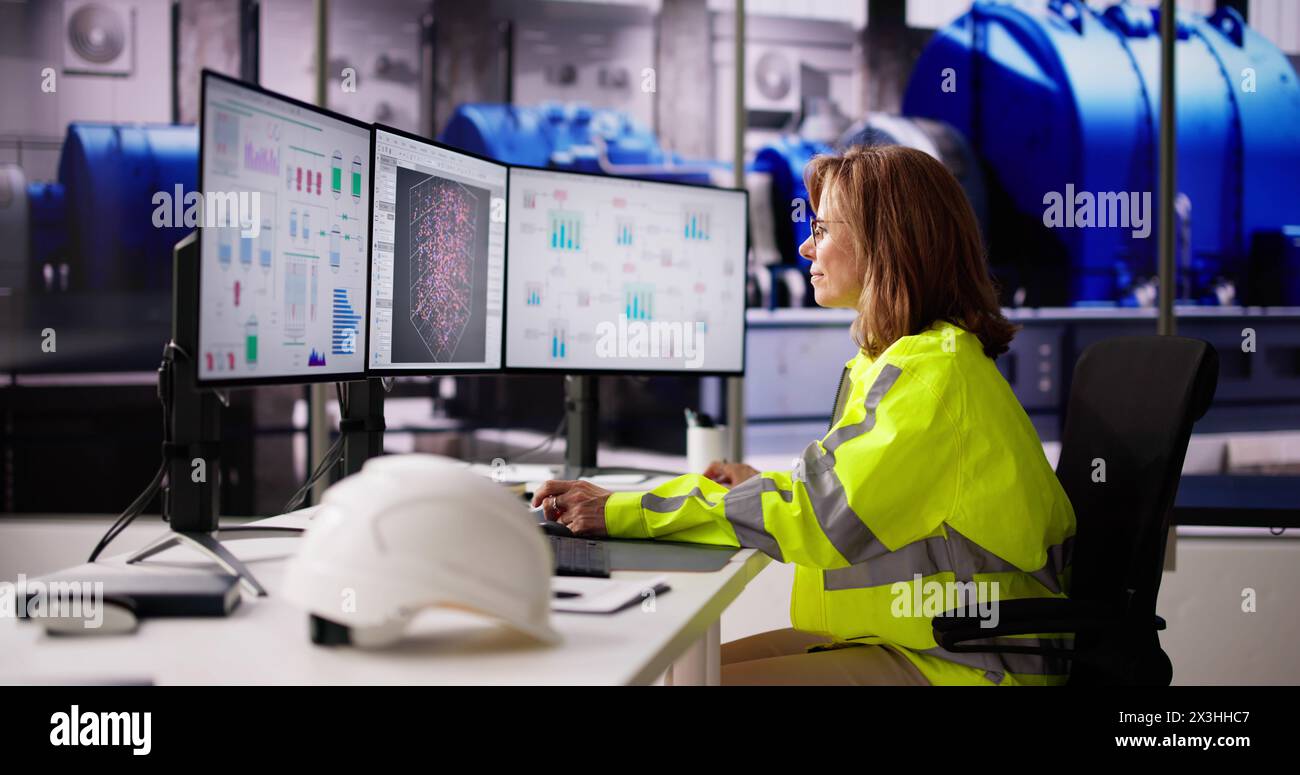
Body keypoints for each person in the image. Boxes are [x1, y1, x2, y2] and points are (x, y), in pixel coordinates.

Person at [532, 145, 1076, 686]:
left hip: (971, 664)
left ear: (885, 242)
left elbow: (818, 516)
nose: (805, 245)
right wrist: (758, 486)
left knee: (684, 679)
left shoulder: (929, 376)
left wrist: (623, 511)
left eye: (823, 229)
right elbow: (847, 496)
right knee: (676, 672)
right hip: (915, 640)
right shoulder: (906, 361)